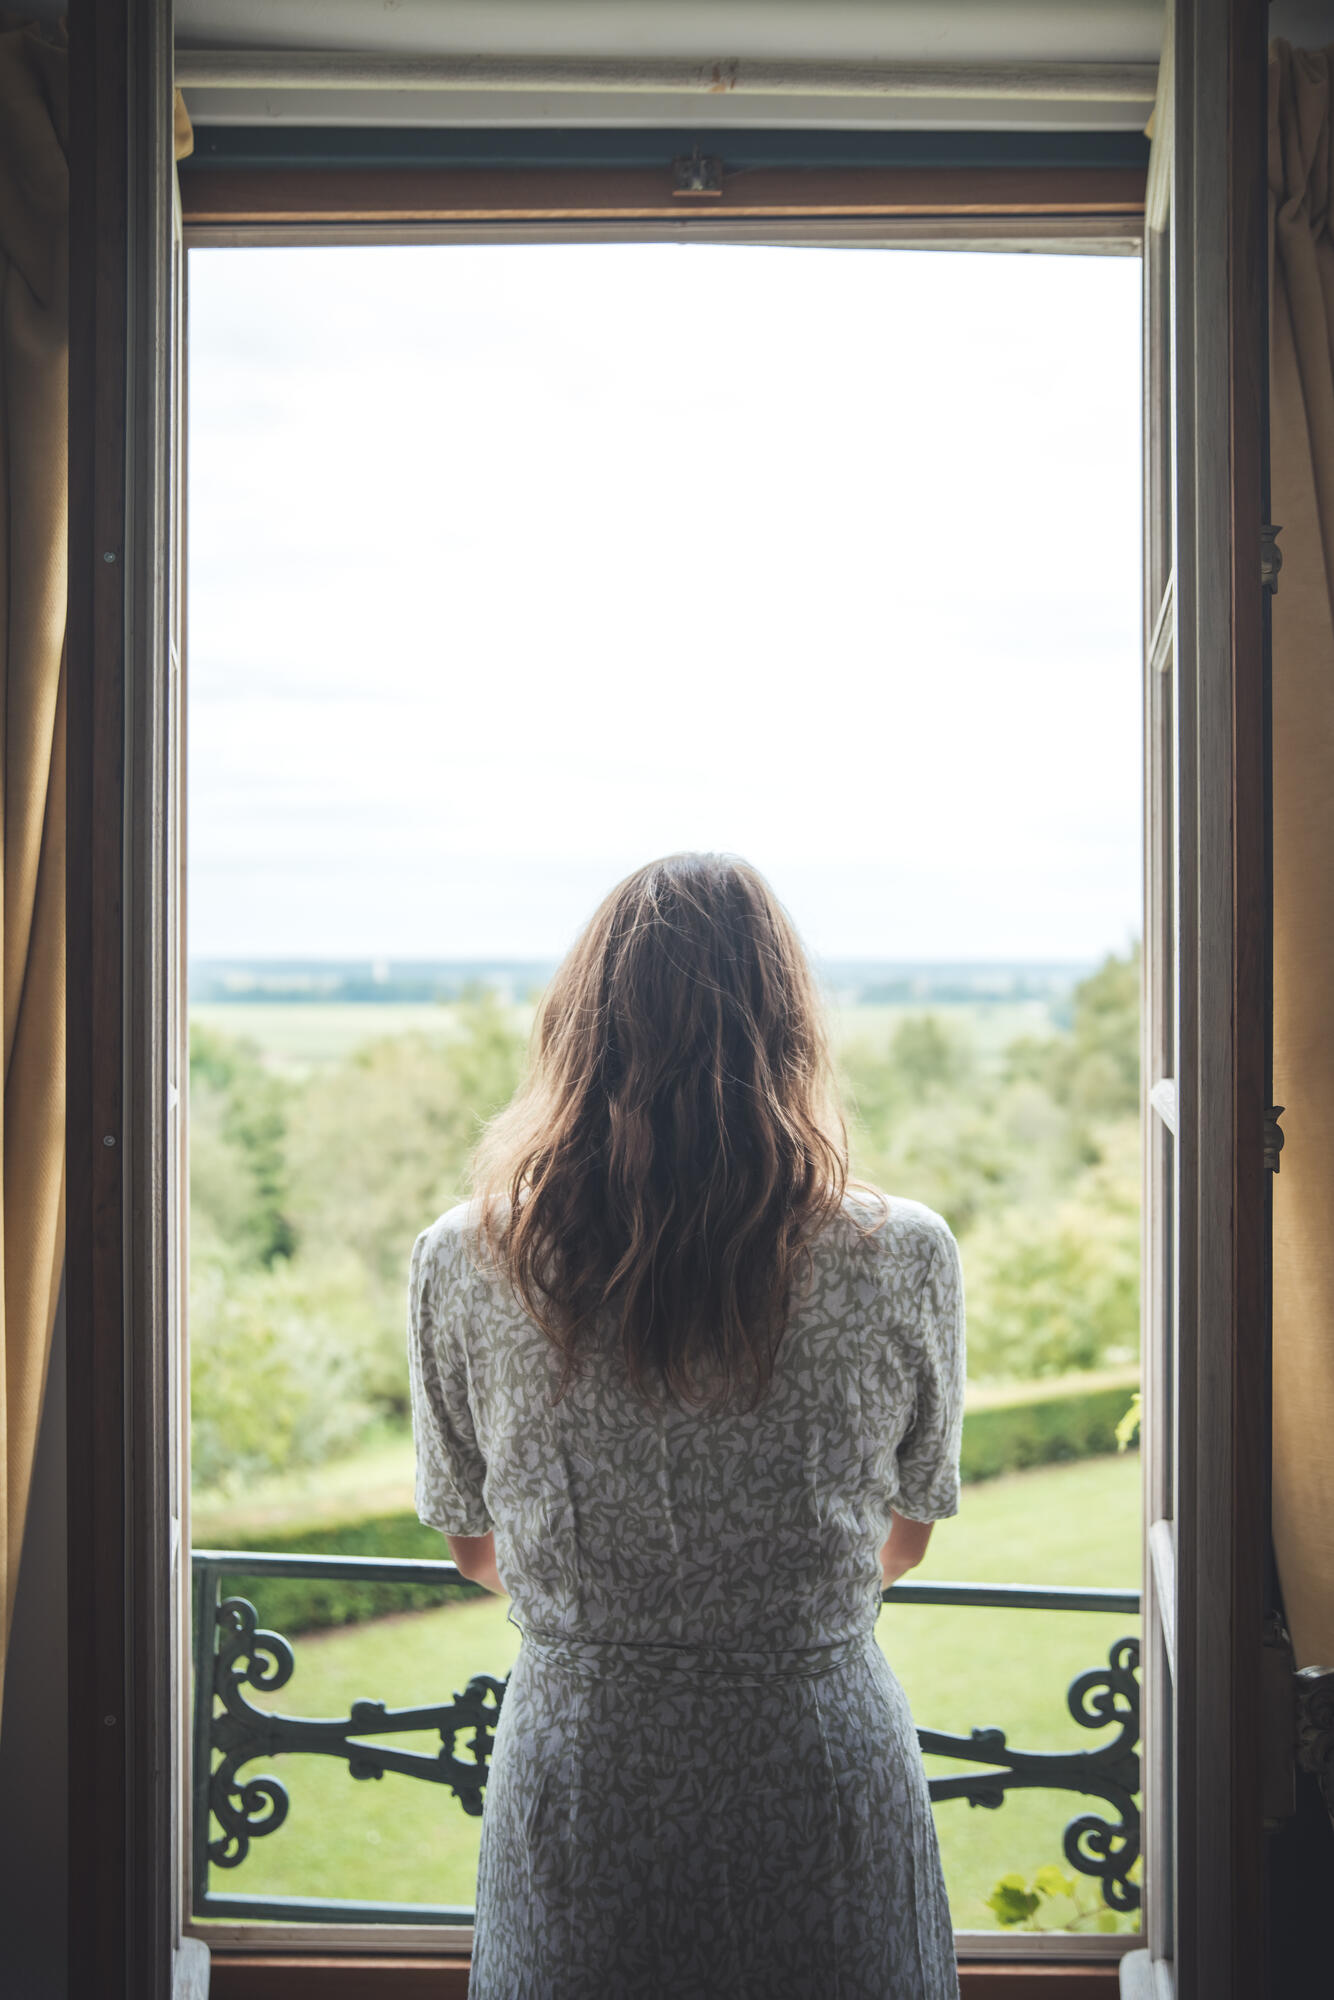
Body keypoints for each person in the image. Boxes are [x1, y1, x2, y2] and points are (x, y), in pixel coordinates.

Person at [408, 852, 965, 1999]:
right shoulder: (901, 1253)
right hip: (814, 1767)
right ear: (788, 1029)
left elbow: (473, 1545)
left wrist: (616, 1613)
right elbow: (903, 1535)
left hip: (583, 1775)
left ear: (578, 1031)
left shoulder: (463, 1258)